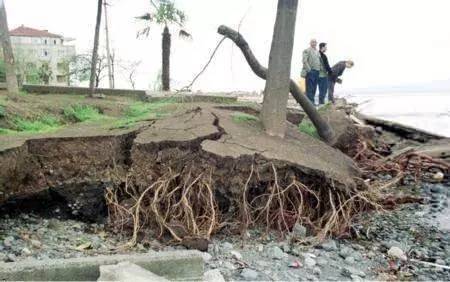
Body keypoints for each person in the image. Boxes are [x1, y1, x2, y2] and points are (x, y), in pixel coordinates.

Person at [301, 39, 321, 104]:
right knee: (309, 88)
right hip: (310, 71)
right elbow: (304, 61)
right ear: (310, 43)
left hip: (317, 72)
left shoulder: (317, 52)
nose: (314, 43)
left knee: (314, 88)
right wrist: (309, 70)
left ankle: (312, 102)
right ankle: (310, 103)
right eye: (313, 42)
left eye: (315, 42)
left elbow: (319, 61)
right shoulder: (306, 50)